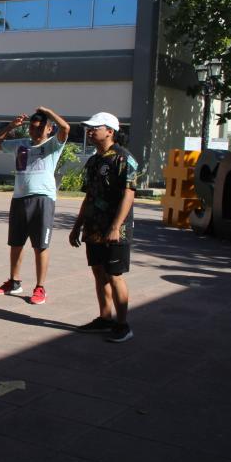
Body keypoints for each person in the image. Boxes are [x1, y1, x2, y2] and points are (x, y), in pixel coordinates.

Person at [0, 106, 70, 305]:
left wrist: (48, 111)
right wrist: (10, 127)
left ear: (49, 129)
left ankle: (40, 287)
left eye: (40, 128)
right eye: (32, 128)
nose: (35, 132)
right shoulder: (21, 144)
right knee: (15, 243)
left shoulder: (53, 145)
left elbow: (65, 128)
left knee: (40, 245)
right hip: (19, 198)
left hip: (42, 199)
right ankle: (14, 282)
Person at [69, 112, 138, 343]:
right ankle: (105, 318)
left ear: (110, 131)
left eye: (95, 128)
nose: (90, 131)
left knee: (115, 274)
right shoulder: (94, 160)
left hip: (116, 229)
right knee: (99, 272)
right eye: (89, 128)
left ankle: (123, 324)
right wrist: (77, 225)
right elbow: (89, 195)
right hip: (93, 227)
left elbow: (129, 194)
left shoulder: (124, 158)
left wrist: (116, 226)